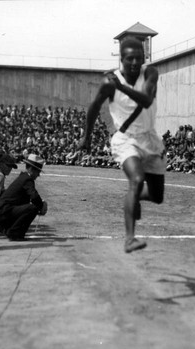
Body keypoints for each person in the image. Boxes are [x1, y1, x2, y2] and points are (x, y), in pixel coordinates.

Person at [78, 36, 165, 253]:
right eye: (129, 59)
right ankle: (129, 238)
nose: (135, 63)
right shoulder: (109, 83)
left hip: (150, 139)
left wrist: (122, 88)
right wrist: (86, 137)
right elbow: (93, 108)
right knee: (136, 179)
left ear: (144, 58)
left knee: (157, 196)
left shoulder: (151, 73)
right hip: (126, 139)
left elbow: (146, 100)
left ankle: (132, 197)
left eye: (139, 58)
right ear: (121, 60)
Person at [0, 154, 47, 241]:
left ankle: (10, 230)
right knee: (32, 208)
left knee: (29, 206)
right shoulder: (27, 179)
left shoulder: (23, 177)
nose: (38, 175)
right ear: (31, 169)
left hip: (2, 212)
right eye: (38, 172)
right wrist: (41, 206)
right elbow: (34, 196)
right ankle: (15, 233)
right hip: (4, 213)